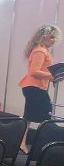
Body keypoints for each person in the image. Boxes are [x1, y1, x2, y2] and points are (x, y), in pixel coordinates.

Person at [19, 24, 62, 152]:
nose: (54, 40)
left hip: (34, 87)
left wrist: (53, 76)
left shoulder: (41, 50)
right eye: (51, 37)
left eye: (55, 38)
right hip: (34, 87)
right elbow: (34, 71)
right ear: (43, 37)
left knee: (29, 116)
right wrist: (52, 76)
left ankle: (22, 142)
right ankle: (43, 146)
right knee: (46, 116)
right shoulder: (40, 51)